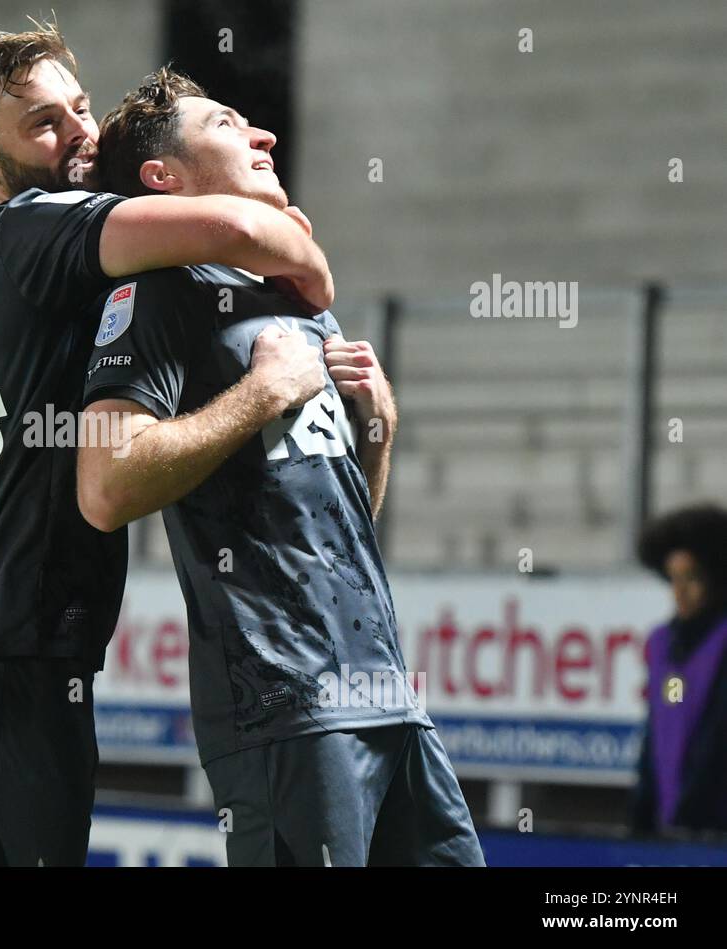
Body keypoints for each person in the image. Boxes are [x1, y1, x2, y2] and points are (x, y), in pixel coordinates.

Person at [0, 23, 336, 866]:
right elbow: (241, 235)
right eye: (44, 124)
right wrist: (311, 273)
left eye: (81, 109)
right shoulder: (40, 222)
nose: (80, 133)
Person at [78, 68, 485, 866]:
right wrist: (265, 391)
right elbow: (107, 485)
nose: (263, 136)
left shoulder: (298, 300)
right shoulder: (156, 296)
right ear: (164, 178)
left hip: (388, 695)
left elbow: (345, 521)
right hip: (284, 706)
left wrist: (379, 430)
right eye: (229, 126)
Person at [632, 503, 727, 836]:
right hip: (668, 826)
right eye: (673, 578)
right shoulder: (662, 644)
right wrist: (643, 811)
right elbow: (658, 725)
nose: (680, 591)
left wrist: (694, 811)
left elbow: (717, 737)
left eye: (692, 578)